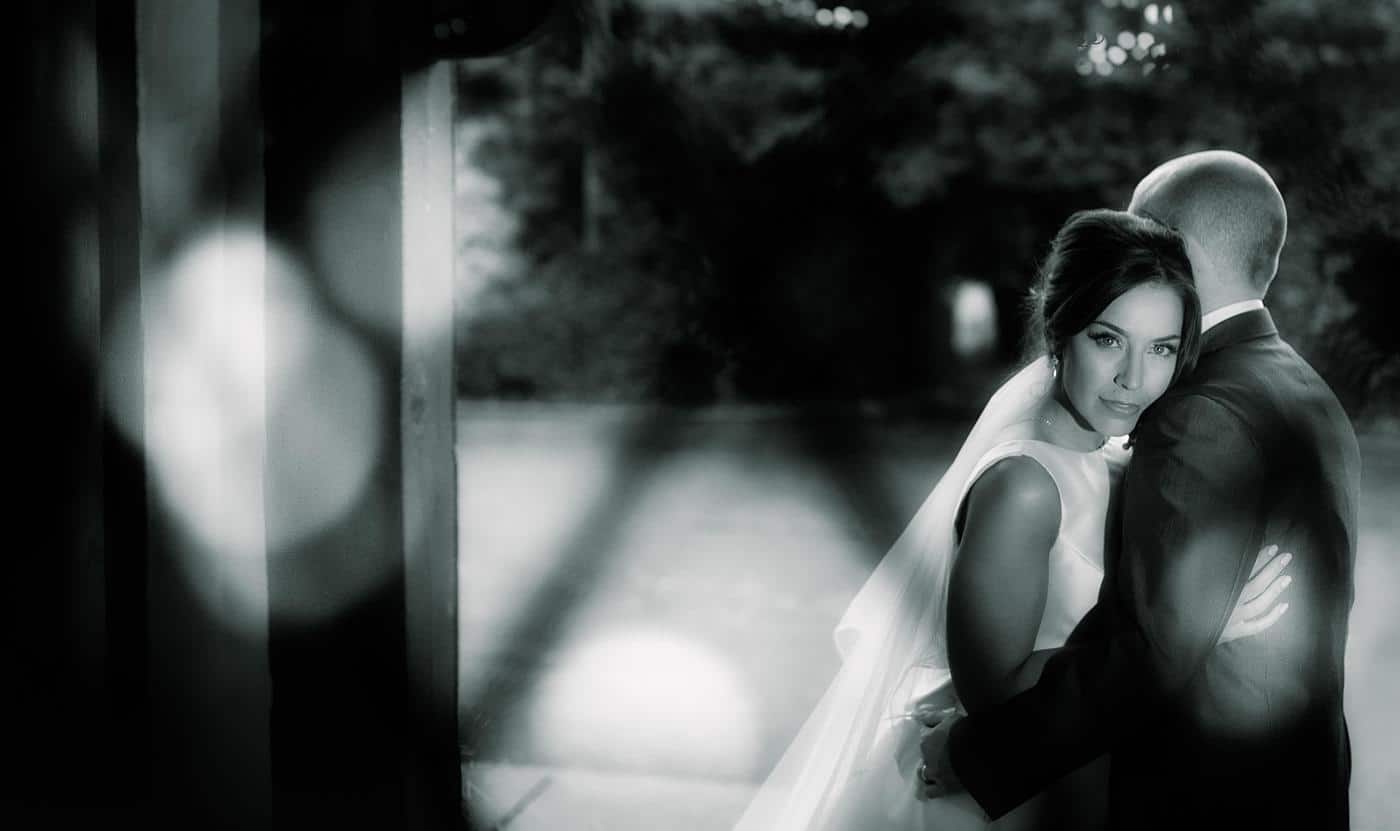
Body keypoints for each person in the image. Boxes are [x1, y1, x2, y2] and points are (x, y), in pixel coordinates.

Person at [732, 208, 1292, 831]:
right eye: (1107, 339)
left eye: (1160, 348)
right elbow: (992, 690)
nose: (1134, 378)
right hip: (985, 804)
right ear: (1060, 331)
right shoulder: (1025, 484)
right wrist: (1191, 632)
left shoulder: (1117, 462)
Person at [918, 151, 1360, 830]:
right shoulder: (1303, 388)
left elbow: (1154, 647)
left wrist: (977, 757)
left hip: (1206, 798)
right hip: (1295, 785)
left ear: (1169, 245)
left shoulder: (1200, 409)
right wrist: (1199, 623)